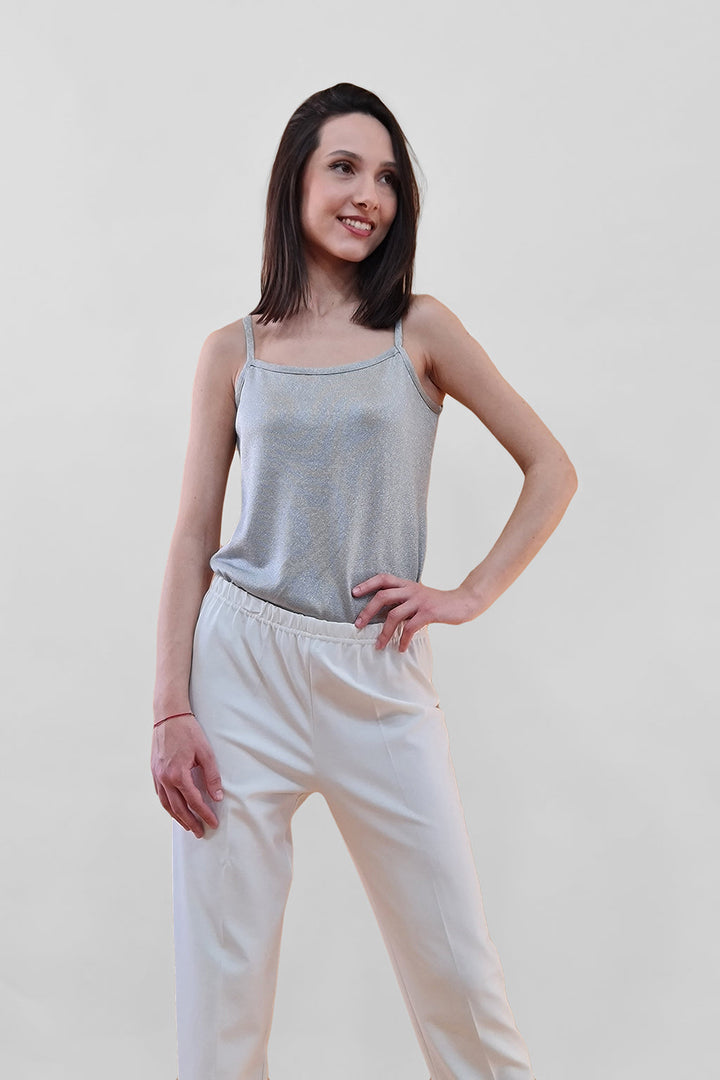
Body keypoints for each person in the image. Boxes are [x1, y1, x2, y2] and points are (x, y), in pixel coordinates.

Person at [151, 82, 577, 1080]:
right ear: (296, 176)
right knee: (221, 1006)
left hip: (379, 671)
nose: (368, 194)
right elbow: (191, 534)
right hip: (241, 668)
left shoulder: (419, 329)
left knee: (462, 988)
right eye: (344, 166)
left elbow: (551, 467)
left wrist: (469, 591)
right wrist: (170, 709)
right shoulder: (234, 351)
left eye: (386, 177)